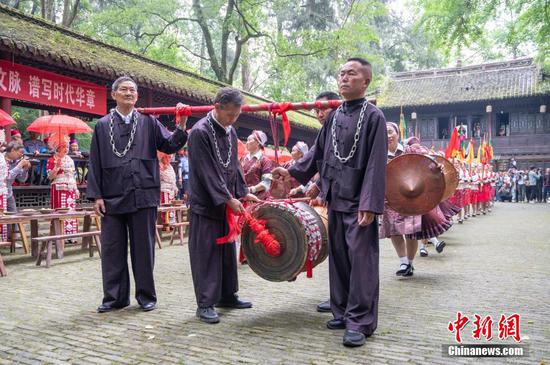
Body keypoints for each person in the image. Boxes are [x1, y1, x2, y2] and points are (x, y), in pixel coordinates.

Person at [273, 58, 387, 347]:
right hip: (335, 199)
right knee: (339, 259)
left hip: (359, 202)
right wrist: (292, 170)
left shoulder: (374, 117)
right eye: (341, 73)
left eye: (352, 74)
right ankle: (342, 311)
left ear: (365, 82)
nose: (344, 78)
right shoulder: (334, 117)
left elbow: (375, 164)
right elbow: (316, 153)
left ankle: (360, 321)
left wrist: (370, 204)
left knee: (361, 262)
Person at [87, 76, 188, 313]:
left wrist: (181, 125)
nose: (129, 93)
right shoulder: (102, 125)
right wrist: (96, 196)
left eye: (133, 90)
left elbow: (169, 145)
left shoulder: (148, 122)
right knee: (112, 249)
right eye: (124, 90)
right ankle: (114, 298)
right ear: (114, 95)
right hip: (111, 196)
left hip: (143, 193)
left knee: (144, 248)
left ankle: (146, 296)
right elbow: (95, 162)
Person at [187, 87, 257, 324]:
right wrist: (228, 198)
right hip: (206, 205)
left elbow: (234, 166)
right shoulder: (199, 132)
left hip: (226, 202)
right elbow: (207, 172)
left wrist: (244, 193)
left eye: (237, 115)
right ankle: (205, 303)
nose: (233, 119)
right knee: (205, 254)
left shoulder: (230, 130)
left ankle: (227, 295)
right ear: (217, 106)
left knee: (227, 252)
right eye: (230, 115)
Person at [311, 91, 340, 314]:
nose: (319, 113)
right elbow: (316, 158)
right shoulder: (326, 130)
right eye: (317, 110)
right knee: (337, 252)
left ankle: (349, 302)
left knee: (350, 253)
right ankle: (338, 299)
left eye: (323, 108)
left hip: (353, 200)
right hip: (334, 199)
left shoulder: (346, 125)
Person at [379, 123, 421, 275]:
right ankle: (403, 262)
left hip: (411, 196)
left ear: (397, 134)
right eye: (385, 133)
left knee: (411, 231)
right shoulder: (379, 155)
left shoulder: (409, 150)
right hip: (390, 199)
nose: (388, 135)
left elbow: (427, 162)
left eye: (390, 132)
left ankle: (410, 262)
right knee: (394, 230)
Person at [47, 134, 79, 235]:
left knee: (71, 210)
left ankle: (71, 234)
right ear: (57, 148)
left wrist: (76, 189)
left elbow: (74, 175)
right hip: (59, 189)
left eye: (67, 147)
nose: (66, 149)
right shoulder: (52, 160)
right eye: (64, 147)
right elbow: (50, 177)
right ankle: (59, 234)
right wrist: (56, 167)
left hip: (70, 188)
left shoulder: (70, 160)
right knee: (60, 211)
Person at [241, 130, 274, 200]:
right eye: (247, 140)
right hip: (242, 195)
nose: (247, 143)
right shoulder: (243, 158)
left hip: (258, 198)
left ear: (258, 143)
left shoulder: (265, 161)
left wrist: (251, 189)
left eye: (249, 140)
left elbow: (266, 182)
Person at [4, 142, 31, 213]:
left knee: (14, 217)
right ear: (13, 150)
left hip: (9, 193)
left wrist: (25, 169)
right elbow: (7, 177)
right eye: (20, 152)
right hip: (1, 192)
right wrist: (19, 166)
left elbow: (22, 179)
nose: (21, 155)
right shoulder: (1, 159)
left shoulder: (16, 162)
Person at [158, 152, 178, 225]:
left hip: (171, 191)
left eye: (170, 157)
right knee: (166, 211)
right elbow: (161, 179)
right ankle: (166, 227)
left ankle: (171, 227)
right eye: (168, 157)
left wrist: (175, 188)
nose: (170, 158)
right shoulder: (159, 166)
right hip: (164, 191)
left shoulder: (170, 166)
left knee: (172, 211)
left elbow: (173, 179)